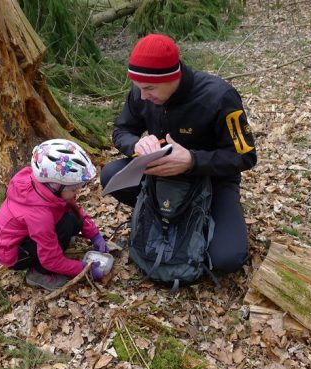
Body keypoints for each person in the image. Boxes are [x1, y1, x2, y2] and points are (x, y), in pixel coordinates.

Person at [101, 34, 257, 275]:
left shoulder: (219, 96)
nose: (143, 96)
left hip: (212, 180)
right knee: (111, 175)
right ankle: (163, 213)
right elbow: (122, 129)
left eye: (149, 88)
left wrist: (192, 161)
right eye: (139, 88)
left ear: (173, 78)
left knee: (227, 259)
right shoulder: (142, 92)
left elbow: (245, 156)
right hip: (160, 175)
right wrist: (137, 145)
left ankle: (202, 217)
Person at [0, 139, 110, 291]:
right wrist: (84, 268)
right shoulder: (39, 215)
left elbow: (75, 210)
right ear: (55, 185)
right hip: (13, 253)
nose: (77, 192)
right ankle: (38, 274)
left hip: (31, 232)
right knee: (65, 225)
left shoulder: (45, 188)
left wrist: (95, 235)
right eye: (73, 189)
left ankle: (59, 242)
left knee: (72, 218)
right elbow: (50, 259)